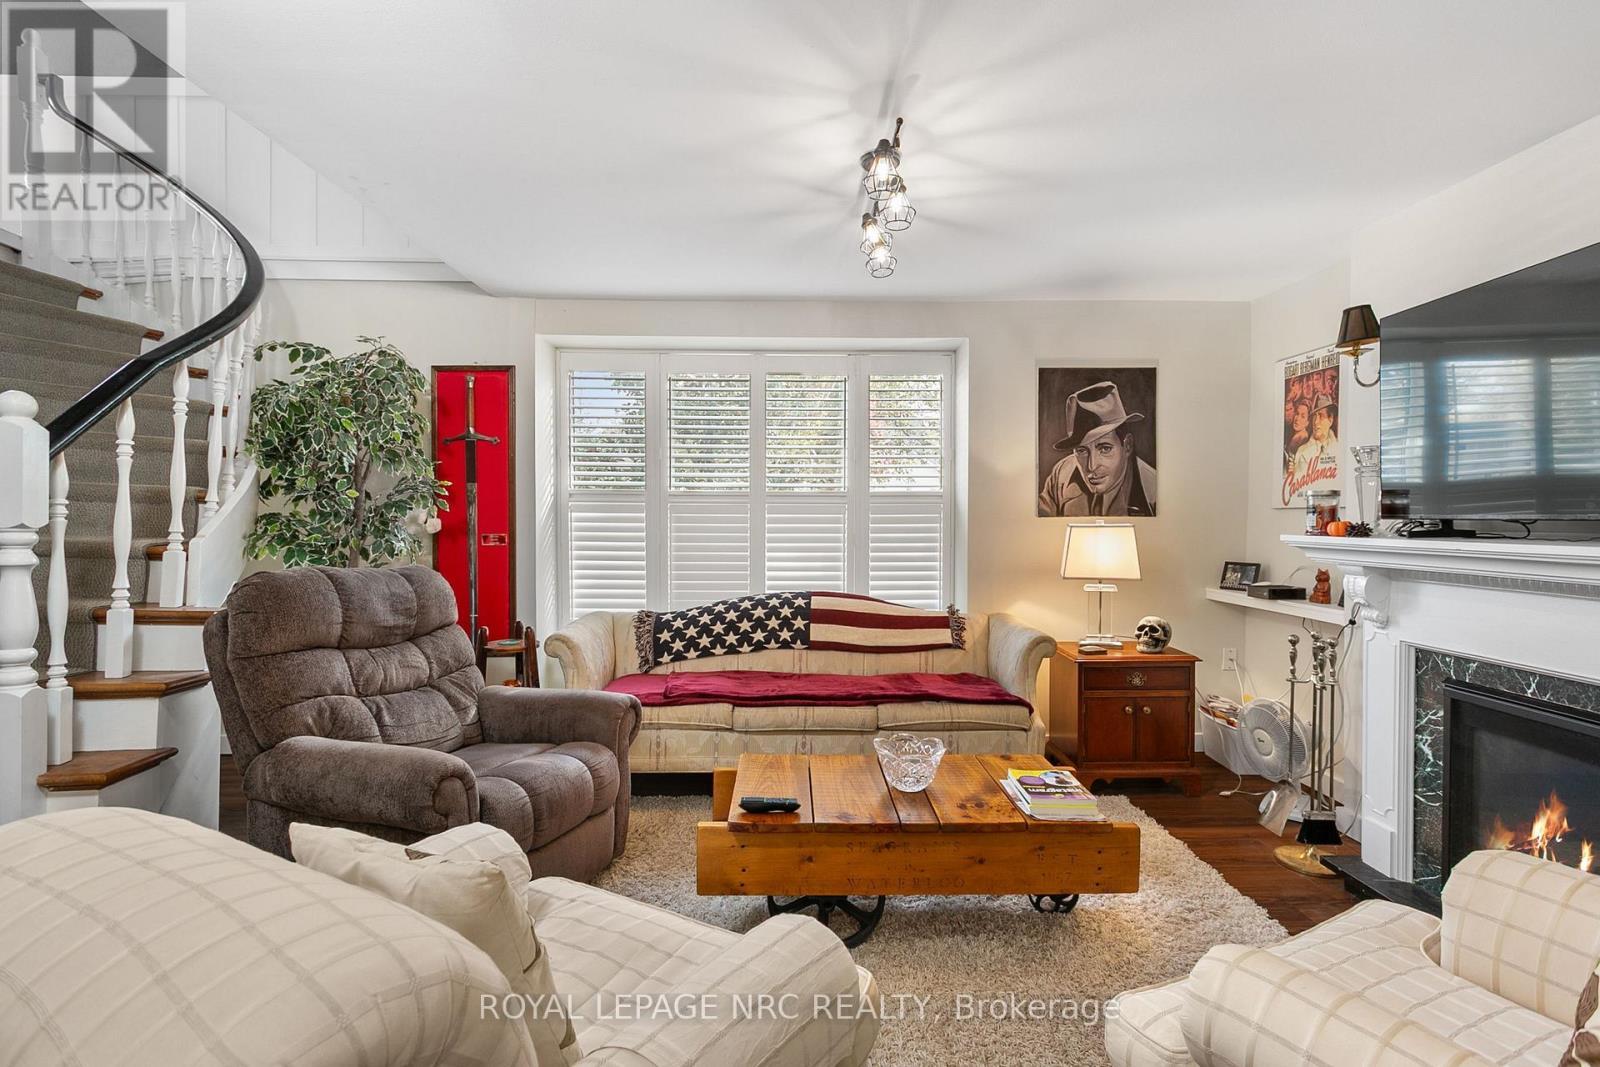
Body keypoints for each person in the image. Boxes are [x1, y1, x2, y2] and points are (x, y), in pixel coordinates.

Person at [1038, 381, 1156, 516]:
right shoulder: (1061, 474)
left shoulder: (1152, 494)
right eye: (1081, 451)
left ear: (1127, 446)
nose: (1092, 466)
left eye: (1105, 449)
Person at [1291, 394, 1339, 479]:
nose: (1316, 422)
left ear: (1330, 420)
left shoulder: (1339, 448)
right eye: (1314, 416)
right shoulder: (1301, 452)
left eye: (1321, 416)